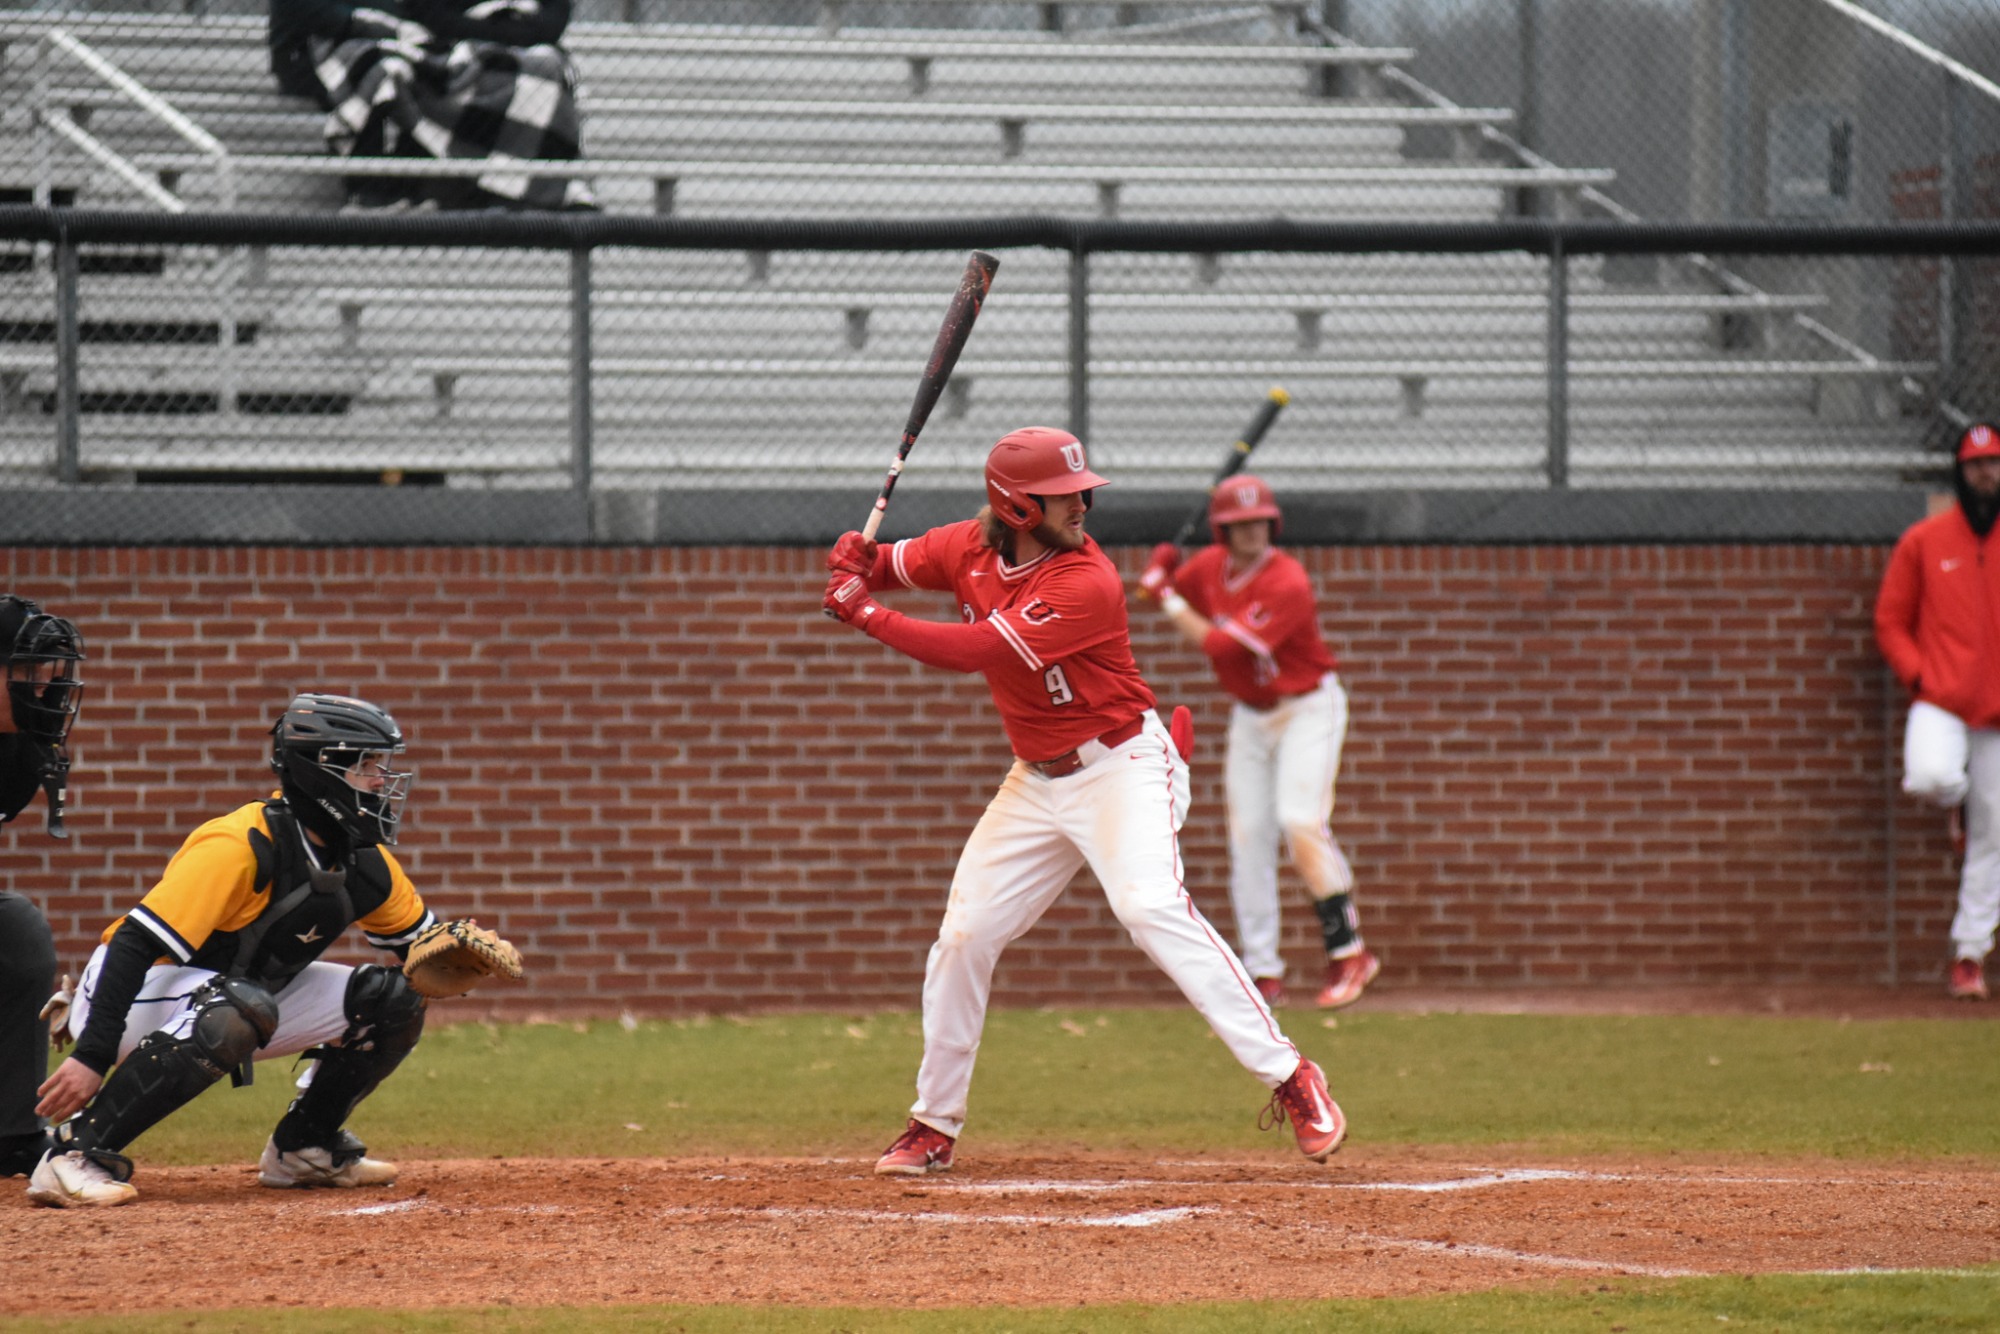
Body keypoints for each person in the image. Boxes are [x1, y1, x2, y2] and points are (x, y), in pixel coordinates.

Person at [821, 427, 1347, 1176]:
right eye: (1063, 496)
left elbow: (973, 652)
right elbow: (885, 564)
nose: (1082, 506)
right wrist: (856, 559)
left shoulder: (1086, 581)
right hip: (1036, 780)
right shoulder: (963, 547)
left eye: (1081, 492)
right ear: (1017, 507)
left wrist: (864, 612)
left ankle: (1293, 1075)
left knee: (1148, 907)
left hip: (1122, 766)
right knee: (963, 937)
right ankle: (933, 1124)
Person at [27, 693, 440, 1207]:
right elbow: (133, 944)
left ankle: (304, 1148)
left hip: (238, 1001)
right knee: (239, 1005)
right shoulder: (241, 843)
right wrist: (92, 1054)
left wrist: (456, 959)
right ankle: (72, 1155)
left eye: (381, 765)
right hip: (128, 994)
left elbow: (426, 951)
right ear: (319, 772)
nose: (381, 781)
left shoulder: (366, 863)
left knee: (395, 998)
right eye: (366, 766)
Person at [1134, 476, 1379, 1011]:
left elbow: (1222, 647)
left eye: (1260, 521)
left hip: (1308, 708)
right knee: (1247, 838)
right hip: (1251, 716)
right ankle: (1262, 971)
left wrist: (1166, 595)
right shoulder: (1209, 568)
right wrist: (1162, 570)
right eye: (1239, 524)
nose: (1252, 531)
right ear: (1221, 530)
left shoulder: (1287, 580)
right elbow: (1168, 587)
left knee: (1300, 821)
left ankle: (1348, 952)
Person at [1875, 422, 2000, 1001]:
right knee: (1928, 776)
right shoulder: (1925, 541)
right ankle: (1957, 804)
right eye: (1975, 464)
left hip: (1997, 711)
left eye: (1993, 463)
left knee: (1995, 833)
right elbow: (1890, 620)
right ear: (1959, 471)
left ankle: (1969, 954)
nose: (1986, 473)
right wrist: (1919, 675)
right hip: (1942, 697)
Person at [267, 0, 593, 211]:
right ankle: (372, 193)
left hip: (399, 37)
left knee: (536, 68)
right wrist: (372, 23)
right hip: (311, 51)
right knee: (386, 69)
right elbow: (308, 11)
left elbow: (552, 20)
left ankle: (521, 187)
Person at [0, 595, 85, 1181]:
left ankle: (11, 1134)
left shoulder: (19, 754)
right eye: (26, 671)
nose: (43, 688)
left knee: (17, 934)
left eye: (48, 673)